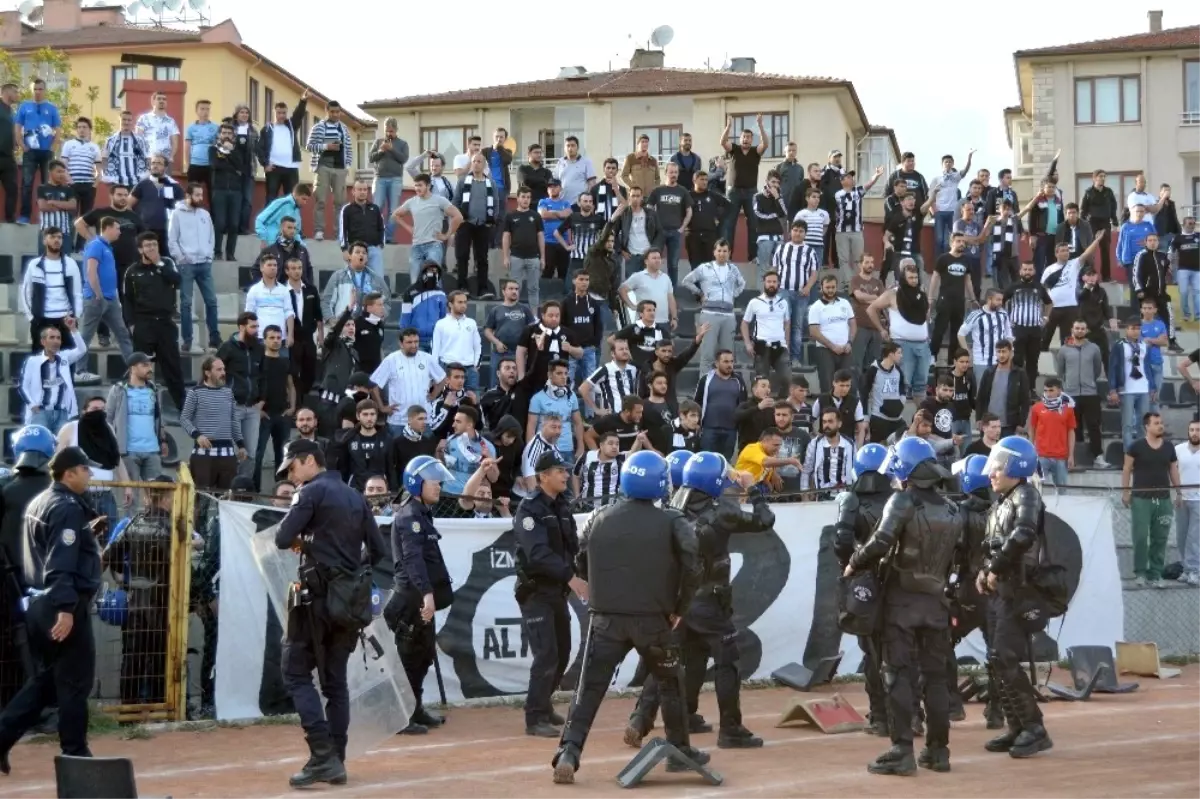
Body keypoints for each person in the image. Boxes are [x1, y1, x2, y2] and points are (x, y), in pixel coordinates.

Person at [552, 451, 707, 784]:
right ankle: (680, 750)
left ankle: (569, 752)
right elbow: (694, 566)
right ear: (660, 483)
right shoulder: (673, 520)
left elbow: (580, 559)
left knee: (588, 689)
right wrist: (680, 607)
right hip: (654, 620)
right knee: (670, 683)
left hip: (605, 620)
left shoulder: (600, 516)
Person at [627, 450, 773, 748]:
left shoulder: (670, 509)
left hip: (678, 601)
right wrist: (755, 488)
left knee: (675, 661)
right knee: (727, 661)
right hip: (710, 600)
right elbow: (764, 520)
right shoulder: (722, 511)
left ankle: (642, 718)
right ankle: (730, 728)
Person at [274, 438, 389, 787]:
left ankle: (322, 755)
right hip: (348, 603)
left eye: (293, 467)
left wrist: (309, 544)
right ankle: (336, 759)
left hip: (315, 599)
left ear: (310, 461)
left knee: (295, 672)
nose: (292, 477)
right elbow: (379, 551)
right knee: (335, 682)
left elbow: (282, 538)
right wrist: (351, 574)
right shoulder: (356, 496)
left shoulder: (310, 493)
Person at [845, 437, 962, 776]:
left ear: (905, 469)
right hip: (937, 604)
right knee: (936, 678)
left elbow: (881, 541)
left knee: (897, 674)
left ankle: (902, 750)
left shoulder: (902, 500)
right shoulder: (952, 508)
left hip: (901, 603)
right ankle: (939, 752)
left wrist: (854, 562)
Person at [0, 446, 104, 771]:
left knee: (46, 684)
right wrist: (66, 609)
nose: (89, 474)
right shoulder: (67, 507)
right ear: (69, 472)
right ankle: (76, 757)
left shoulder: (42, 501)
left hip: (38, 604)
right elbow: (60, 562)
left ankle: (1, 736)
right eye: (85, 469)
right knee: (74, 682)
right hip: (62, 604)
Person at [977, 436, 1054, 759]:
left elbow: (1023, 534)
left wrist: (993, 569)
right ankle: (1017, 725)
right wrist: (985, 571)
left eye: (997, 467)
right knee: (997, 658)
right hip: (1002, 591)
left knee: (1005, 656)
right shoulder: (1001, 502)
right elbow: (992, 546)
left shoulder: (1026, 495)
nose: (991, 473)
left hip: (1019, 591)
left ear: (1015, 467)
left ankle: (1034, 727)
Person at [513, 450, 581, 737]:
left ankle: (544, 703)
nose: (566, 475)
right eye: (560, 471)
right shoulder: (530, 509)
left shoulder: (563, 505)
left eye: (566, 471)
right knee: (546, 654)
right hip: (536, 591)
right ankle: (534, 717)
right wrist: (570, 577)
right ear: (543, 476)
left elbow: (572, 547)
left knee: (562, 651)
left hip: (557, 592)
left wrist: (578, 573)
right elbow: (538, 553)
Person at [388, 456, 457, 735]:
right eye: (433, 481)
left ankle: (414, 709)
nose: (438, 486)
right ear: (416, 483)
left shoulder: (422, 514)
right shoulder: (409, 517)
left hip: (419, 600)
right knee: (408, 657)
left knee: (423, 655)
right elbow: (412, 560)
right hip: (410, 600)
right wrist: (427, 595)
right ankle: (401, 716)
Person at [833, 443, 893, 735]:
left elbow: (841, 542)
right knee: (903, 650)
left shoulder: (851, 499)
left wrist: (851, 567)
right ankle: (911, 715)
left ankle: (881, 717)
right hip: (899, 581)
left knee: (872, 652)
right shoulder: (901, 498)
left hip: (866, 582)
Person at [103, 475, 174, 706]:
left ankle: (128, 712)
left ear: (146, 496)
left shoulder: (134, 522)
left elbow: (110, 555)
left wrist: (124, 581)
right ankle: (158, 709)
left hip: (136, 600)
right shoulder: (174, 527)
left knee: (132, 658)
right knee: (160, 659)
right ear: (169, 497)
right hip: (164, 601)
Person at [0, 426, 56, 706]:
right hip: (49, 582)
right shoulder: (58, 491)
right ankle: (45, 707)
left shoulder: (7, 490)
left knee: (15, 646)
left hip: (10, 581)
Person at [123, 232, 184, 410]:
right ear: (140, 249)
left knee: (173, 368)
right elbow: (127, 300)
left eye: (154, 245)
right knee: (141, 367)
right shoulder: (132, 271)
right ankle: (138, 406)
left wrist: (158, 263)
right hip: (143, 323)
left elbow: (177, 281)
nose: (151, 248)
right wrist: (131, 325)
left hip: (165, 323)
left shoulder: (167, 263)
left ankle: (183, 409)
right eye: (148, 245)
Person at [1122, 412, 1182, 588]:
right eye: (1156, 423)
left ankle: (1155, 574)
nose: (1160, 426)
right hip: (1141, 499)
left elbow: (1173, 470)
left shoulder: (1169, 447)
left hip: (1163, 499)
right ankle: (1140, 572)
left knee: (1160, 538)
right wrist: (1126, 492)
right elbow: (1126, 469)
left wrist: (1179, 492)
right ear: (1146, 426)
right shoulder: (1136, 446)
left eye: (1161, 422)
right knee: (1140, 537)